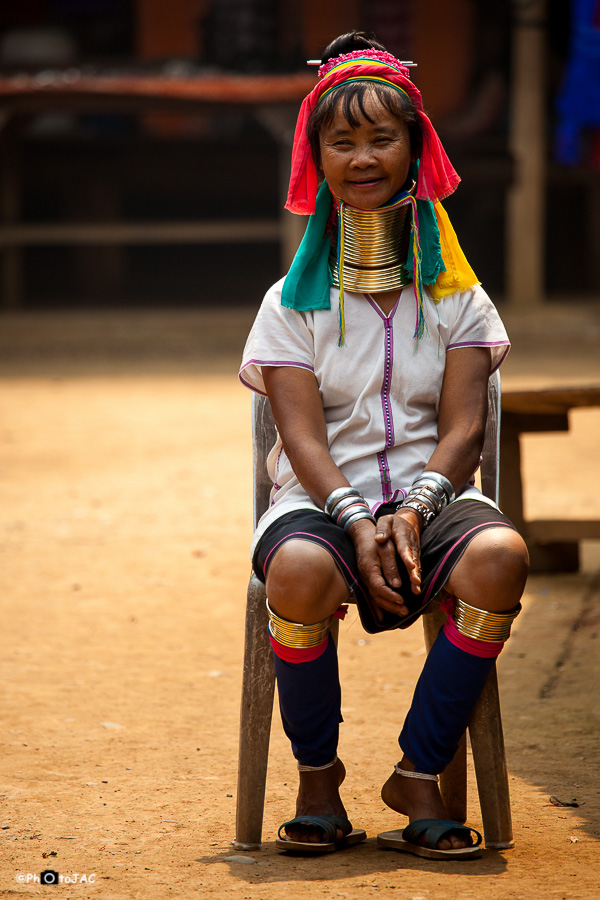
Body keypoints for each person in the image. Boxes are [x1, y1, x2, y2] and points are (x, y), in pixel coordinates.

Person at [239, 30, 529, 859]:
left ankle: (420, 774)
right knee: (296, 568)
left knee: (500, 557)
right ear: (317, 158)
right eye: (342, 140)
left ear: (415, 150)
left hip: (434, 495)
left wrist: (413, 509)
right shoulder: (289, 305)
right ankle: (317, 780)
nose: (363, 156)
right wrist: (358, 519)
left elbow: (465, 424)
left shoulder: (461, 297)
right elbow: (297, 433)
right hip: (318, 503)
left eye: (381, 137)